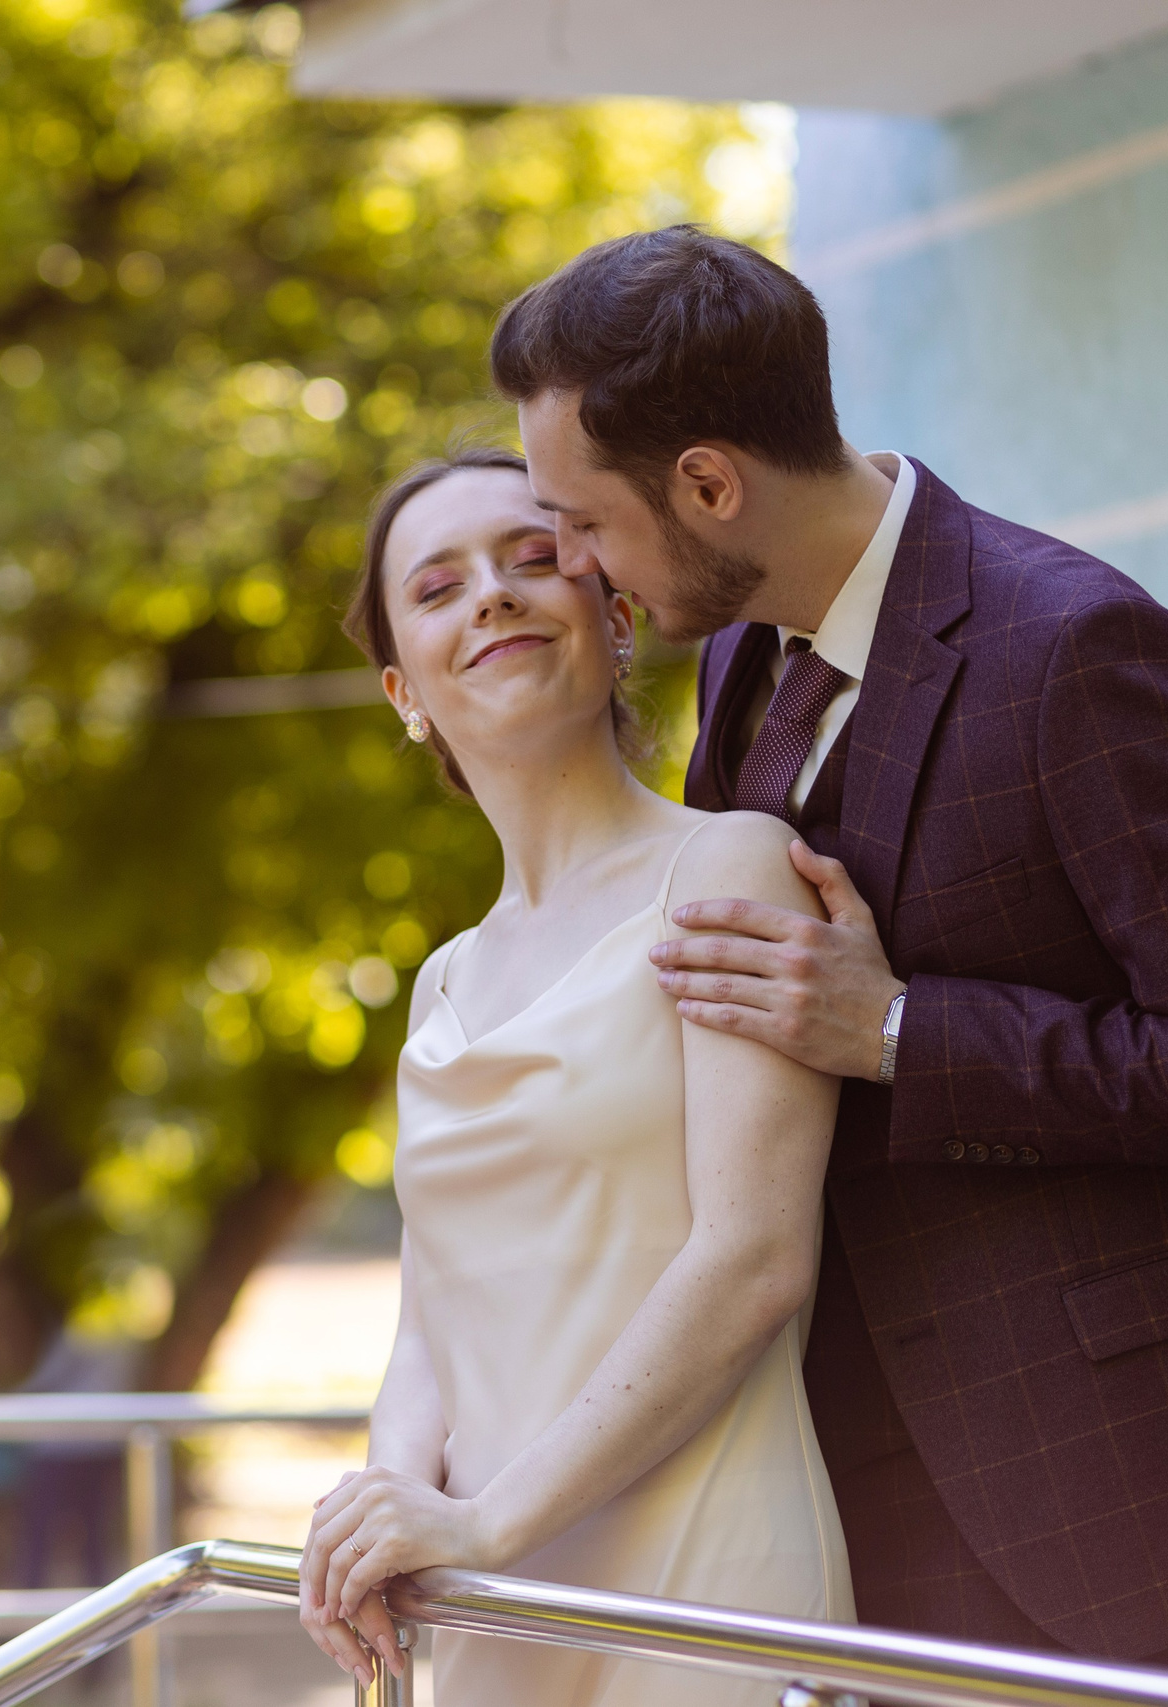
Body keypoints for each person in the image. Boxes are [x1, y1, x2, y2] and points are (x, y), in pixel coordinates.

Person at [489, 224, 1168, 1674]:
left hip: (1094, 1479)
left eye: (582, 522)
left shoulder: (1078, 649)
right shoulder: (737, 648)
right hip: (841, 1461)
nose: (577, 569)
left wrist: (901, 1030)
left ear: (710, 482)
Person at [296, 446, 854, 1707]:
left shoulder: (727, 871)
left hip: (707, 1576)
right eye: (436, 589)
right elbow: (429, 1321)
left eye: (531, 559)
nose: (488, 595)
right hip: (498, 1604)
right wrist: (385, 1517)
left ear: (611, 613)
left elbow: (755, 1257)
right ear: (404, 690)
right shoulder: (438, 985)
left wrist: (486, 1523)